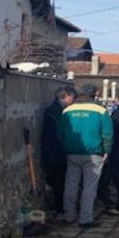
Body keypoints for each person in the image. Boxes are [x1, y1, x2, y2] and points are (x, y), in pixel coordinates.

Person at [59, 84, 113, 227]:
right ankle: (85, 218)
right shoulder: (101, 110)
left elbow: (60, 133)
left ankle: (69, 216)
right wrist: (107, 150)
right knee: (90, 186)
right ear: (95, 94)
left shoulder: (67, 110)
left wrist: (65, 147)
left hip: (72, 152)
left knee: (70, 185)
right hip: (94, 153)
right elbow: (107, 133)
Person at [40, 86, 77, 215]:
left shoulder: (56, 109)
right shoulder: (56, 111)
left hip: (55, 151)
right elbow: (57, 133)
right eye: (72, 97)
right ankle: (60, 207)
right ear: (66, 96)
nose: (73, 101)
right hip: (55, 152)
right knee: (59, 181)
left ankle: (61, 206)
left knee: (60, 180)